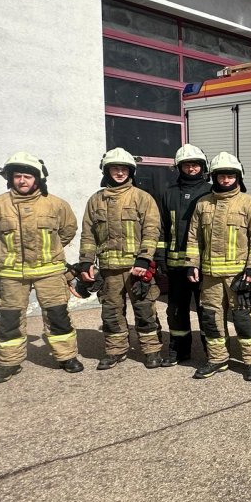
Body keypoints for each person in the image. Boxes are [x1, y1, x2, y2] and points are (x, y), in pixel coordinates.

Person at [0, 151, 82, 384]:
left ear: (37, 179)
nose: (22, 181)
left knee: (58, 315)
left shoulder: (56, 205)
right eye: (17, 176)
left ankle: (66, 357)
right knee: (10, 319)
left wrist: (50, 250)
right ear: (10, 178)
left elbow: (68, 230)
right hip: (11, 273)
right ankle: (9, 363)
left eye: (27, 176)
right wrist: (5, 249)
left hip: (49, 270)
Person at [77, 148, 165, 369]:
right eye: (114, 168)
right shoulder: (96, 200)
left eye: (123, 169)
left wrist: (144, 259)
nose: (119, 173)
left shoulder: (142, 198)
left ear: (130, 171)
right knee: (111, 312)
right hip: (109, 269)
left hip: (137, 268)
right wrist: (86, 261)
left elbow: (152, 231)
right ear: (107, 171)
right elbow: (88, 235)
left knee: (145, 309)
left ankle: (152, 350)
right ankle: (115, 351)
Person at [185, 152, 251, 380]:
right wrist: (192, 264)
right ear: (214, 177)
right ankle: (217, 359)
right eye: (221, 176)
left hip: (239, 276)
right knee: (211, 319)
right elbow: (193, 238)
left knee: (244, 318)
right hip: (210, 276)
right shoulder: (203, 204)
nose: (226, 180)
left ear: (238, 177)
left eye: (230, 176)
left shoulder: (249, 203)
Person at [156, 144, 211, 365]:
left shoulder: (210, 192)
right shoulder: (169, 193)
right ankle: (178, 350)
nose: (191, 168)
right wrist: (160, 257)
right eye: (187, 165)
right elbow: (162, 228)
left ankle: (212, 353)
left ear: (202, 166)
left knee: (206, 310)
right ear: (179, 167)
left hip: (203, 265)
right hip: (176, 265)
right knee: (177, 310)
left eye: (195, 164)